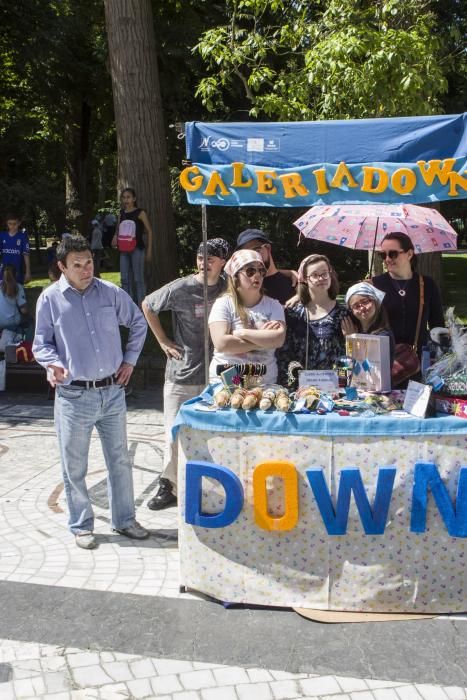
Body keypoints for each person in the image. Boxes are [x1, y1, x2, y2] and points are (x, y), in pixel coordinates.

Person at [32, 235, 149, 550]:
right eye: (77, 265)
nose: (86, 270)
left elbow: (139, 323)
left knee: (119, 461)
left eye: (89, 263)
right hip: (73, 397)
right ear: (62, 267)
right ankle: (82, 526)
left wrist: (130, 361)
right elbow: (41, 343)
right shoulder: (49, 299)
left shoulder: (110, 293)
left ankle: (125, 520)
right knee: (75, 466)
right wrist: (53, 364)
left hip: (112, 393)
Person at [143, 238, 229, 510]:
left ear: (223, 262)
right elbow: (148, 304)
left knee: (210, 436)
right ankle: (167, 485)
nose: (204, 264)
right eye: (201, 258)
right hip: (181, 375)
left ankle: (206, 486)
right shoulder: (181, 287)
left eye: (211, 259)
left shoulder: (229, 287)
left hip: (216, 376)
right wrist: (163, 341)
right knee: (172, 433)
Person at [209, 249, 286, 386]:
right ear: (236, 276)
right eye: (250, 271)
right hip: (228, 382)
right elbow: (222, 343)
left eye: (261, 271)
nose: (257, 275)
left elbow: (278, 340)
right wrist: (264, 340)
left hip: (264, 383)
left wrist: (241, 333)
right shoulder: (223, 304)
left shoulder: (274, 305)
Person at [277, 253, 348, 387]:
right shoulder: (293, 313)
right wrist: (290, 385)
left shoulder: (344, 314)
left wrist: (343, 385)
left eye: (324, 273)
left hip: (334, 390)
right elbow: (284, 355)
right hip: (299, 390)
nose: (321, 278)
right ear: (304, 279)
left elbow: (348, 357)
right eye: (315, 275)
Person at [372, 232, 444, 353]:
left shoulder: (427, 284)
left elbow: (437, 326)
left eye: (393, 254)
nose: (388, 259)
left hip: (418, 361)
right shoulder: (375, 285)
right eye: (383, 255)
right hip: (381, 360)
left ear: (409, 254)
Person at [112, 188, 154, 306]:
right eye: (124, 197)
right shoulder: (122, 213)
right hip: (123, 250)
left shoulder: (140, 213)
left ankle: (142, 308)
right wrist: (115, 236)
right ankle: (128, 306)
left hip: (137, 249)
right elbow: (118, 228)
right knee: (125, 279)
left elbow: (150, 231)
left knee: (138, 279)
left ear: (134, 199)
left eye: (128, 197)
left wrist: (149, 251)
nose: (126, 200)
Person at [235, 228, 296, 304]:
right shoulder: (240, 285)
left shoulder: (294, 283)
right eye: (246, 253)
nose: (252, 256)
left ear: (268, 248)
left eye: (256, 250)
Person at [341, 281, 395, 366]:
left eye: (365, 301)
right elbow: (348, 366)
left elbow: (366, 366)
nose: (362, 308)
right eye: (356, 306)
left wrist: (351, 340)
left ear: (375, 301)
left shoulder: (383, 335)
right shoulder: (357, 331)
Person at [0, 214, 31, 285]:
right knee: (2, 293)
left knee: (16, 292)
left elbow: (26, 255)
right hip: (3, 271)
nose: (12, 226)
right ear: (7, 223)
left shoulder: (23, 236)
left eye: (14, 224)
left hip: (17, 271)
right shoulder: (2, 235)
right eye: (10, 223)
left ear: (19, 223)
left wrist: (28, 272)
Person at [0, 265, 30, 333]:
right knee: (30, 321)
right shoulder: (18, 287)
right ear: (16, 274)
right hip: (12, 322)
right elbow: (24, 310)